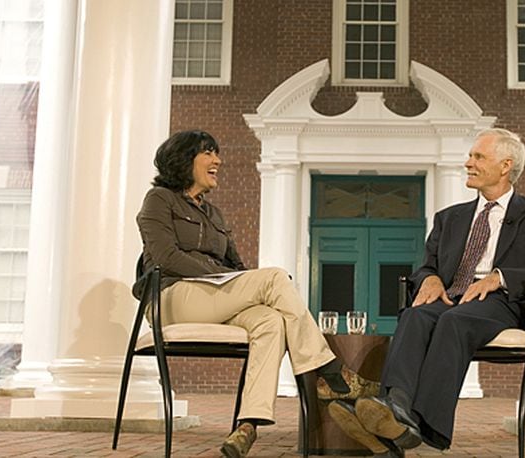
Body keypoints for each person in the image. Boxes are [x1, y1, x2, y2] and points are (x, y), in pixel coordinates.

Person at [133, 130, 378, 458]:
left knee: (270, 320)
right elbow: (166, 257)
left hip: (213, 296)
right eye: (208, 152)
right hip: (171, 298)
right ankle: (329, 372)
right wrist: (232, 280)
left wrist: (241, 283)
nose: (218, 160)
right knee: (274, 278)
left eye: (217, 152)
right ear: (183, 158)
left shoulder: (214, 214)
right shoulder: (160, 199)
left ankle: (247, 425)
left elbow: (237, 265)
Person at [331, 128, 525, 453]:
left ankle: (424, 424)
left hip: (504, 303)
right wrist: (429, 278)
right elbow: (427, 266)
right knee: (415, 316)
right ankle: (395, 406)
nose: (468, 162)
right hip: (453, 297)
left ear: (505, 165)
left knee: (454, 321)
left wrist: (498, 277)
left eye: (478, 157)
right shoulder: (450, 218)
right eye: (470, 156)